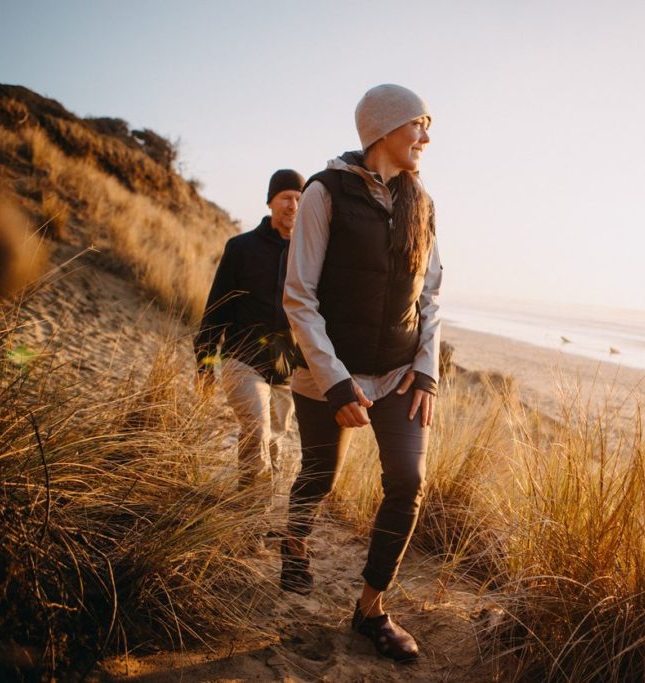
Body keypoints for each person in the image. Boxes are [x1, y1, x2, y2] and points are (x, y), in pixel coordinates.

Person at [281, 84, 442, 663]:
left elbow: (431, 295)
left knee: (408, 482)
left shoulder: (423, 203)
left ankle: (371, 609)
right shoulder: (324, 193)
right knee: (319, 475)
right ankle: (294, 542)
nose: (426, 137)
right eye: (418, 124)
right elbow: (299, 297)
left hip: (399, 373)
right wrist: (335, 381)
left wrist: (427, 370)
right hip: (330, 371)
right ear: (383, 128)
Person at [194, 169, 305, 517]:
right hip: (241, 359)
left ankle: (249, 508)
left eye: (299, 199)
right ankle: (253, 520)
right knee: (258, 431)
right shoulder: (241, 248)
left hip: (284, 369)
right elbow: (216, 309)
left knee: (273, 442)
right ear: (270, 201)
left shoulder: (309, 254)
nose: (293, 205)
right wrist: (205, 364)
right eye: (286, 197)